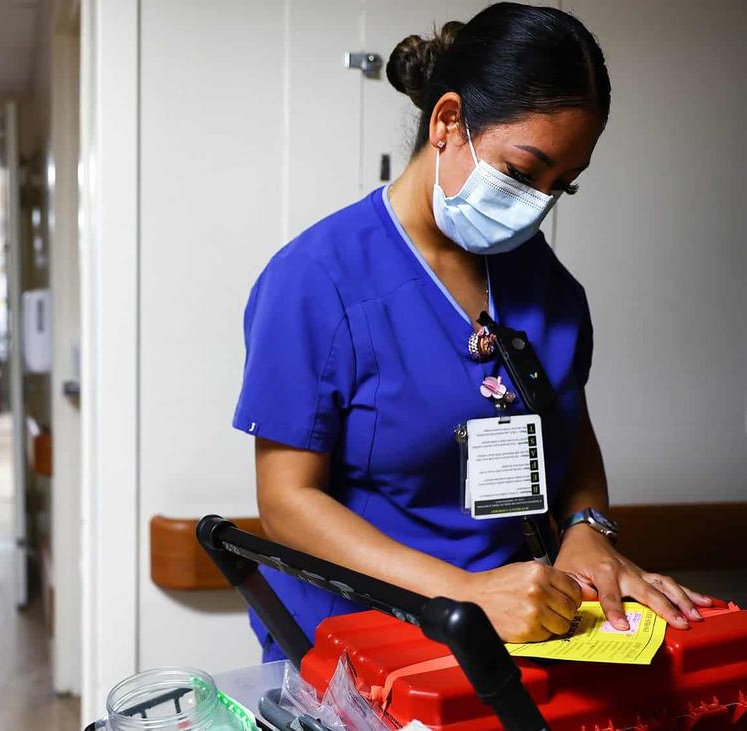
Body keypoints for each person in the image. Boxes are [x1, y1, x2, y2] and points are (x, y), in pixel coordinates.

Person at [233, 3, 714, 662]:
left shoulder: (549, 290)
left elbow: (571, 445)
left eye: (561, 188)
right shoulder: (316, 280)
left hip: (516, 639)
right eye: (522, 173)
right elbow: (287, 502)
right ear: (448, 121)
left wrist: (585, 527)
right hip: (356, 649)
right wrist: (463, 592)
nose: (538, 206)